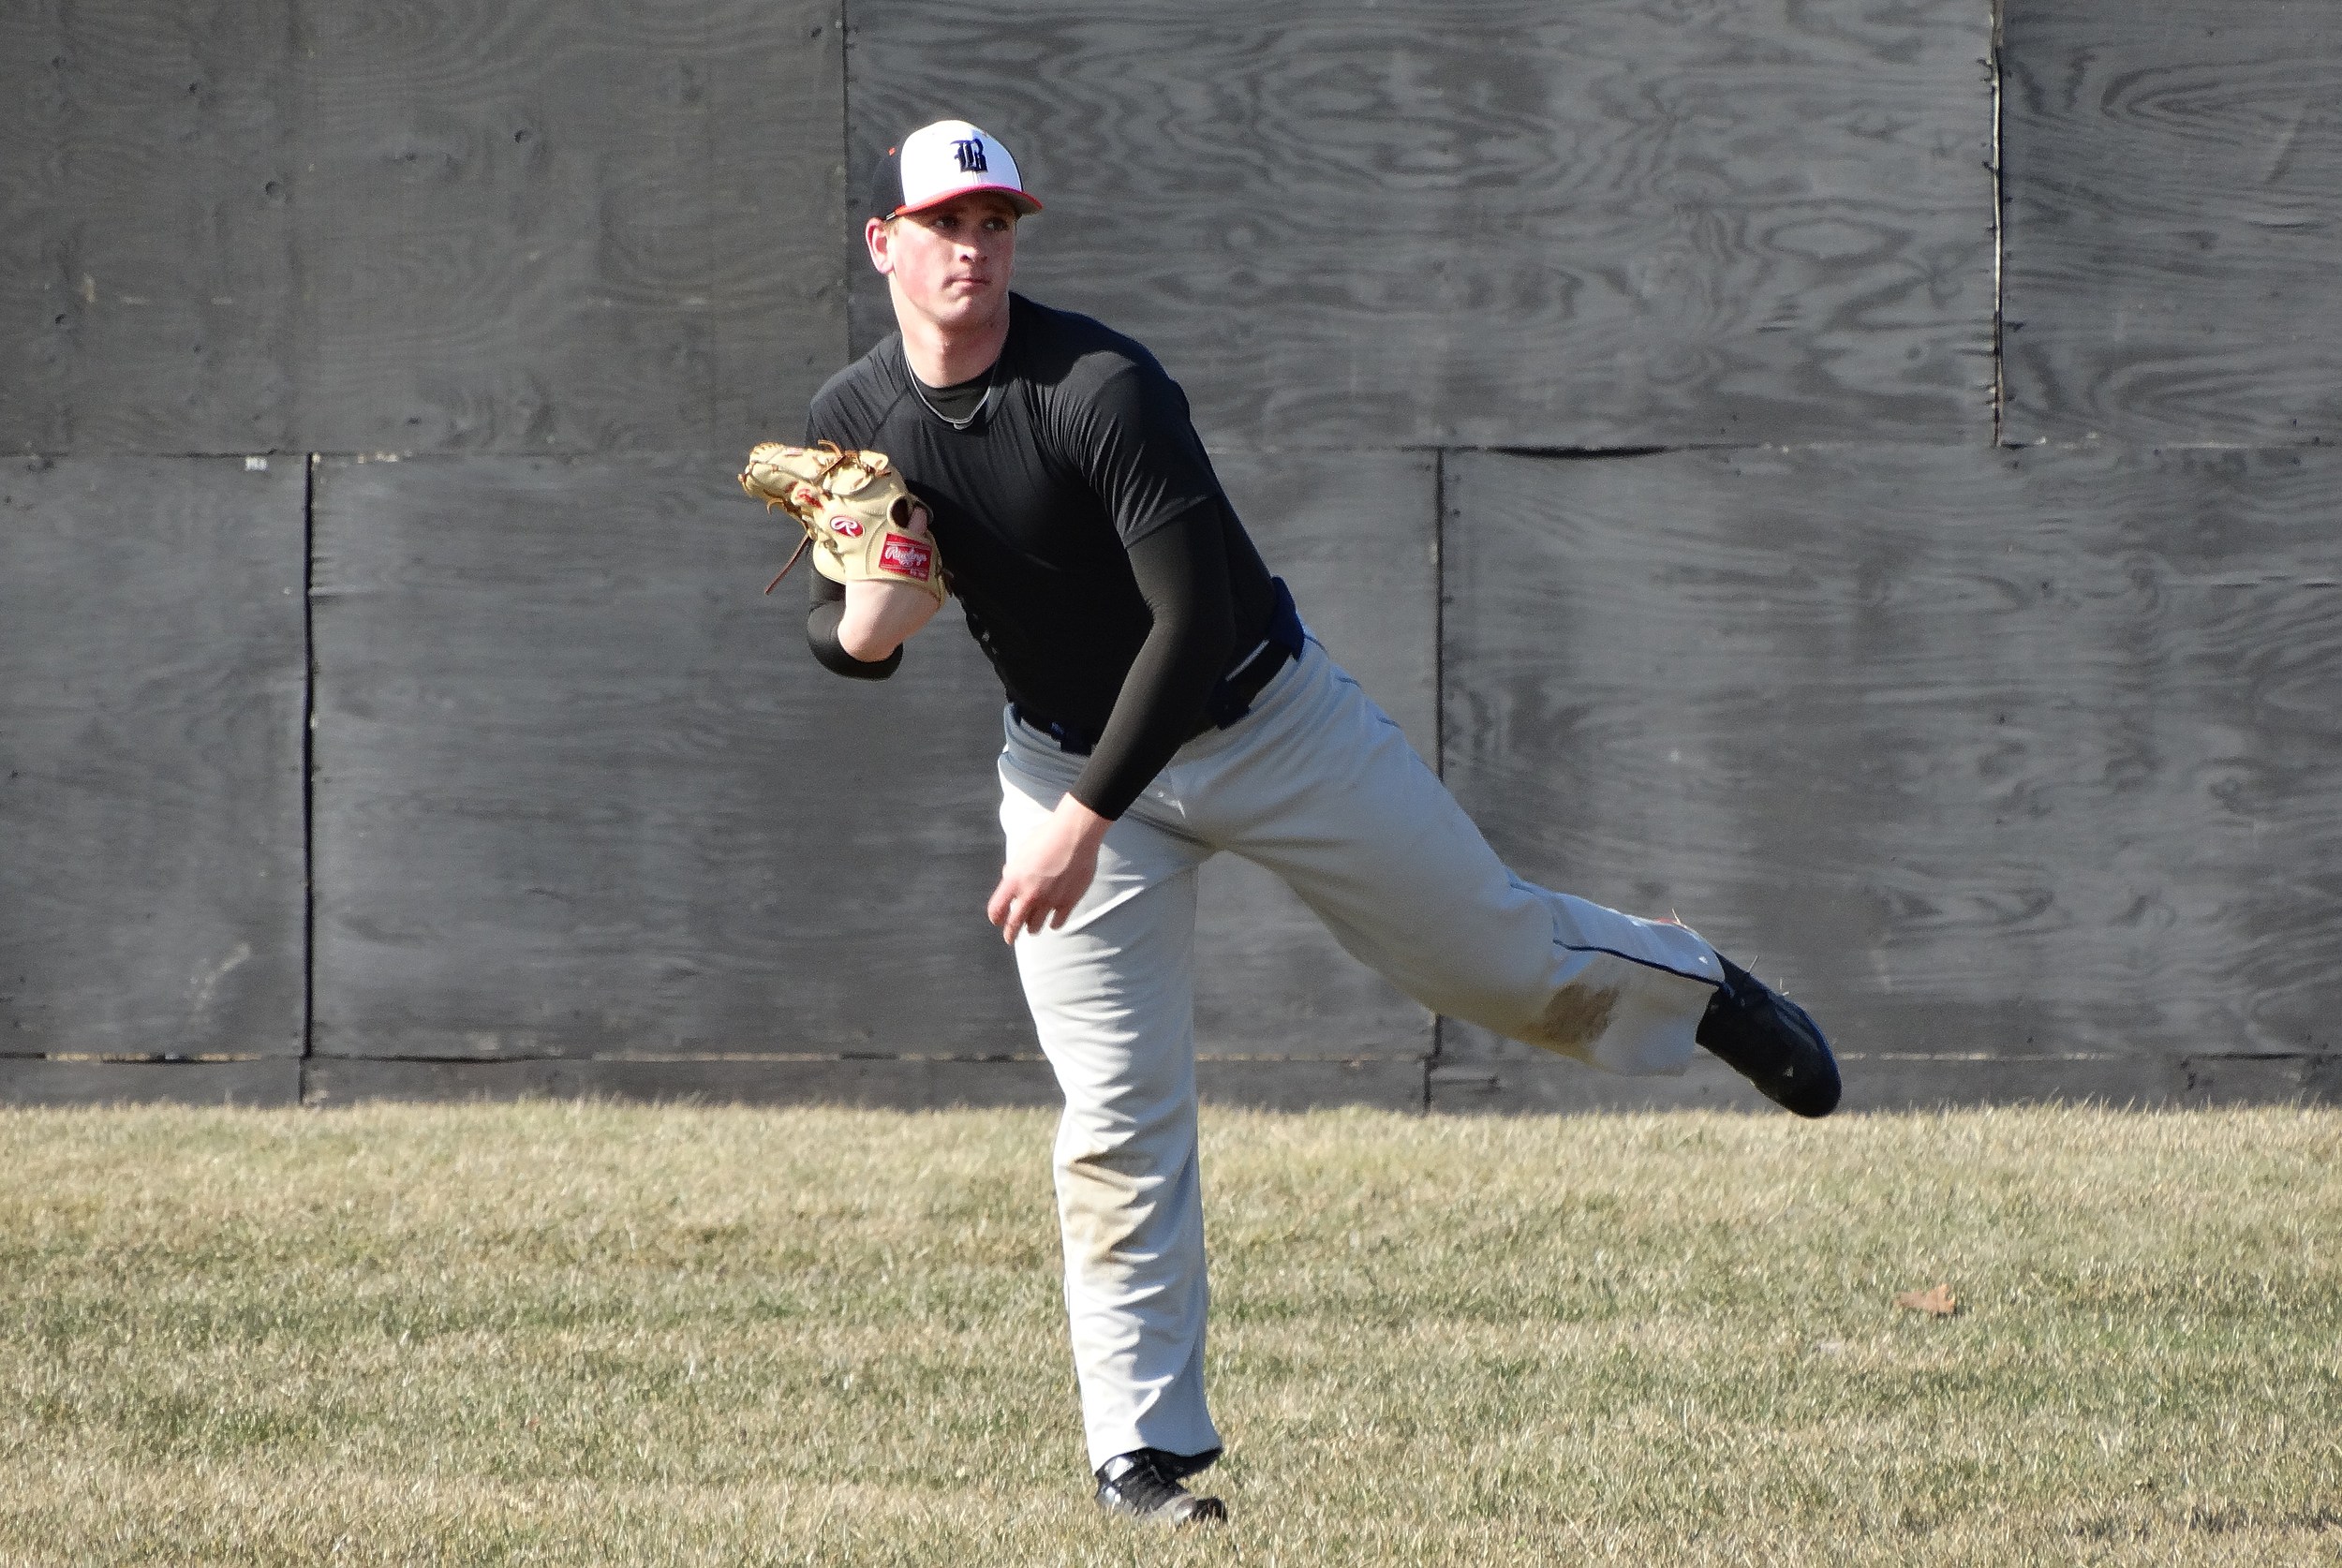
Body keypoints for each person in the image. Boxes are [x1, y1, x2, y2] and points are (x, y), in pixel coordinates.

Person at [798, 119, 1841, 1528]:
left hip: (1259, 721)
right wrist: (869, 620)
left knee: (1499, 970)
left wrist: (1079, 820)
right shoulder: (855, 412)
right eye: (944, 224)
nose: (974, 249)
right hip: (1061, 762)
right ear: (886, 244)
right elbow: (842, 632)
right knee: (1114, 1116)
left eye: (996, 224)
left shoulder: (1099, 387)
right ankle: (1140, 1454)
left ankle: (1695, 985)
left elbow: (1195, 621)